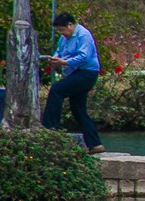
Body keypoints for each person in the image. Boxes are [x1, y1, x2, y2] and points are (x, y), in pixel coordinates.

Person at [43, 12, 103, 153]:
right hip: (75, 72)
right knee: (78, 109)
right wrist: (55, 58)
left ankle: (50, 127)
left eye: (63, 30)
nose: (62, 33)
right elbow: (60, 50)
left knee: (57, 89)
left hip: (87, 73)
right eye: (59, 31)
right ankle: (95, 144)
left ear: (70, 25)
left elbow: (84, 56)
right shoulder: (64, 38)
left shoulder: (83, 35)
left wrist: (64, 62)